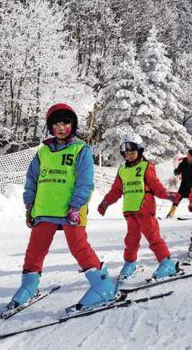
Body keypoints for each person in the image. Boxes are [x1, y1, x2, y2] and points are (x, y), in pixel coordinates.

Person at [10, 103, 116, 312]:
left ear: (72, 125)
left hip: (70, 210)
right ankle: (29, 285)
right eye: (56, 124)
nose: (61, 128)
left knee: (79, 247)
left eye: (65, 123)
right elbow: (31, 180)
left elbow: (85, 182)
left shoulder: (81, 150)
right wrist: (29, 205)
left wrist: (76, 205)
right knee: (35, 250)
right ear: (50, 127)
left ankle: (102, 284)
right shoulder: (43, 152)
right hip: (44, 210)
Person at [97, 132, 179, 280]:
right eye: (126, 152)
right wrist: (106, 202)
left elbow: (156, 186)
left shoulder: (146, 166)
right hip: (130, 211)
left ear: (139, 151)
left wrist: (169, 195)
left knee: (153, 236)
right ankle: (130, 263)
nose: (129, 155)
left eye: (132, 152)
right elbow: (116, 190)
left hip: (145, 209)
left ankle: (167, 263)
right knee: (131, 240)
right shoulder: (122, 170)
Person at [166, 149, 192, 218]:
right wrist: (176, 171)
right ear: (188, 155)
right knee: (177, 198)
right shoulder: (183, 163)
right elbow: (178, 171)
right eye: (190, 156)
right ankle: (171, 214)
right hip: (184, 184)